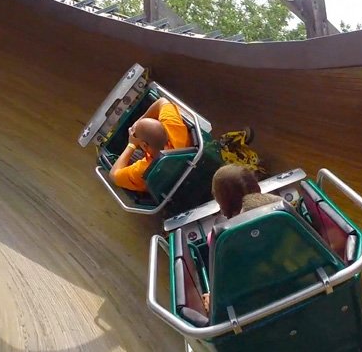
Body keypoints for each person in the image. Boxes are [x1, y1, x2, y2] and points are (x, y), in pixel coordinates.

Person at [201, 164, 284, 312]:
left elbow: (225, 278)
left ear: (221, 199)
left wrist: (212, 299)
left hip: (251, 299)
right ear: (255, 185)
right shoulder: (281, 210)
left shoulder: (220, 237)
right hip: (286, 279)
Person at [109, 97, 192, 192]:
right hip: (182, 171)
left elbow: (113, 175)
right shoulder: (173, 126)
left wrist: (131, 144)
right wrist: (140, 122)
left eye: (135, 135)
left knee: (132, 155)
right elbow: (162, 101)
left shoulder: (143, 170)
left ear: (144, 146)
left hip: (159, 185)